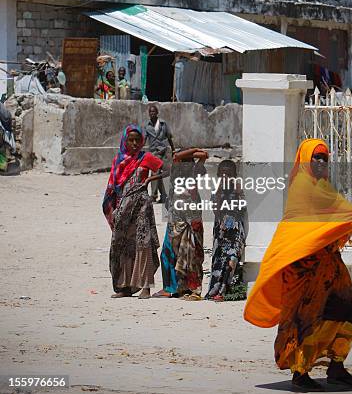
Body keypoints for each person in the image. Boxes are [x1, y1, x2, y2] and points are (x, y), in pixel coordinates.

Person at [244, 139, 352, 391]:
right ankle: (299, 371)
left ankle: (336, 366)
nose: (321, 163)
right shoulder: (304, 186)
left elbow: (340, 216)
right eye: (316, 158)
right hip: (302, 267)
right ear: (306, 159)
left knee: (342, 310)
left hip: (328, 265)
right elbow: (342, 215)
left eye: (324, 159)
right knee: (304, 318)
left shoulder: (323, 187)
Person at [103, 125, 166, 299]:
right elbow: (114, 187)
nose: (134, 143)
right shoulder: (119, 159)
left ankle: (145, 286)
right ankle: (124, 287)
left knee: (143, 243)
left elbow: (165, 169)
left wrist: (150, 180)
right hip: (123, 208)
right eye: (131, 140)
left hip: (142, 206)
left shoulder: (145, 157)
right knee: (122, 244)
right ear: (125, 140)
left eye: (137, 140)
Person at [152, 148, 208, 300]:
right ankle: (172, 288)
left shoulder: (195, 172)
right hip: (175, 221)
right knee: (168, 253)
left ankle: (193, 291)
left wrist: (193, 152)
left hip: (191, 221)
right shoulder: (176, 172)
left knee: (192, 255)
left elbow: (204, 156)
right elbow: (177, 157)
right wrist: (192, 152)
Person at [205, 160, 246, 301]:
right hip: (220, 230)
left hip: (234, 230)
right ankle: (215, 289)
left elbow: (242, 208)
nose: (225, 176)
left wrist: (236, 191)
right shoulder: (216, 189)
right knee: (218, 260)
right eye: (222, 173)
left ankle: (224, 291)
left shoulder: (238, 188)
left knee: (232, 259)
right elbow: (215, 210)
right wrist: (219, 191)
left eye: (228, 174)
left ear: (234, 175)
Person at [145, 105, 175, 203]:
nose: (152, 113)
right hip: (154, 153)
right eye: (150, 112)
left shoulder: (163, 124)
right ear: (149, 114)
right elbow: (143, 140)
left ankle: (164, 196)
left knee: (165, 174)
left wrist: (173, 151)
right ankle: (153, 196)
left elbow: (169, 138)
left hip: (165, 152)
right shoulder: (147, 126)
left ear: (157, 113)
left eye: (154, 112)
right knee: (154, 173)